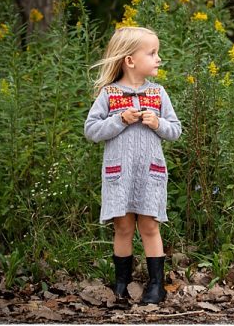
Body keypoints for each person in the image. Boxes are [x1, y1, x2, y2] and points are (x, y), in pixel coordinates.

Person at [84, 26, 182, 305]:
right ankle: (121, 284)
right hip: (119, 175)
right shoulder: (109, 94)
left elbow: (175, 130)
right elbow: (91, 130)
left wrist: (158, 123)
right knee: (123, 227)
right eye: (152, 53)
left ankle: (156, 286)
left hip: (150, 175)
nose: (159, 58)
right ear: (130, 60)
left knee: (150, 226)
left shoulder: (159, 93)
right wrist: (120, 120)